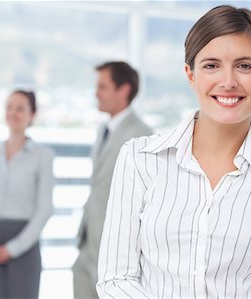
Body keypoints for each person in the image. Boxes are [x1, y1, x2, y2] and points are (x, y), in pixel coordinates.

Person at [97, 5, 251, 298]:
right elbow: (116, 279)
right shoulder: (140, 159)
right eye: (211, 65)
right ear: (191, 74)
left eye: (244, 65)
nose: (228, 81)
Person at [73, 61, 154, 298]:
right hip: (88, 248)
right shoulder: (103, 130)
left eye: (102, 87)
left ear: (124, 90)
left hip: (115, 255)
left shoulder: (142, 136)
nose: (96, 93)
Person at [0, 90, 54, 299]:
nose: (13, 113)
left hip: (23, 243)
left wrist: (12, 249)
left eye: (20, 108)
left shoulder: (42, 157)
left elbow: (44, 209)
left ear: (32, 114)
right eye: (9, 107)